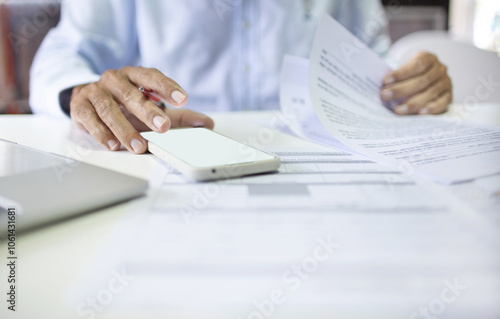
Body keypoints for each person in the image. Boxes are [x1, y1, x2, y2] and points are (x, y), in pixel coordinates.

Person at [30, 0, 452, 154]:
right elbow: (64, 55)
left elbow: (371, 61)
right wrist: (82, 93)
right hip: (164, 156)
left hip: (316, 162)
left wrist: (411, 82)